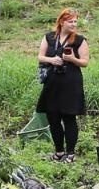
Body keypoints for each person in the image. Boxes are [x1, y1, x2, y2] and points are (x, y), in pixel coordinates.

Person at [36, 8, 90, 162]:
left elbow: (85, 62)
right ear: (61, 22)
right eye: (70, 21)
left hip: (71, 83)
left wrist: (72, 59)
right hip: (52, 82)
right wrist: (52, 60)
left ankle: (70, 153)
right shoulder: (49, 37)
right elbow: (40, 56)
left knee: (69, 118)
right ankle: (59, 151)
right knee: (53, 117)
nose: (74, 24)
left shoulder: (79, 40)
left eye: (75, 21)